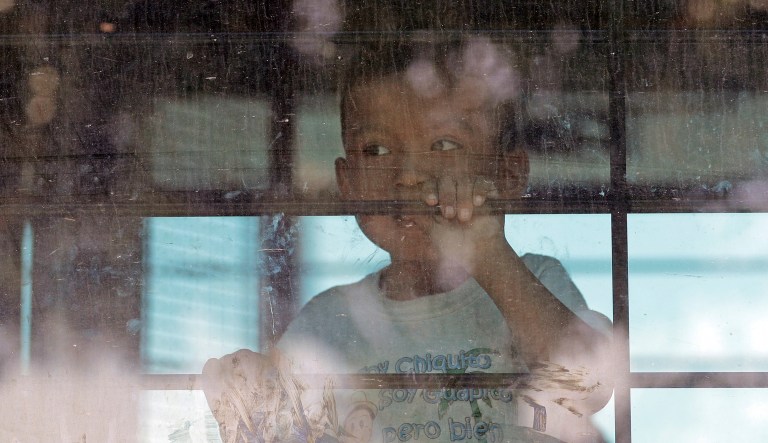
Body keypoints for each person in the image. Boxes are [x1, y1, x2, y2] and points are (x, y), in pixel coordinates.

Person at [203, 37, 613, 443]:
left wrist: (487, 252)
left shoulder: (534, 279)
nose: (409, 174)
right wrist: (250, 398)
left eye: (445, 144)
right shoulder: (329, 320)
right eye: (377, 150)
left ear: (508, 174)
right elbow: (284, 428)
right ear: (347, 183)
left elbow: (590, 386)